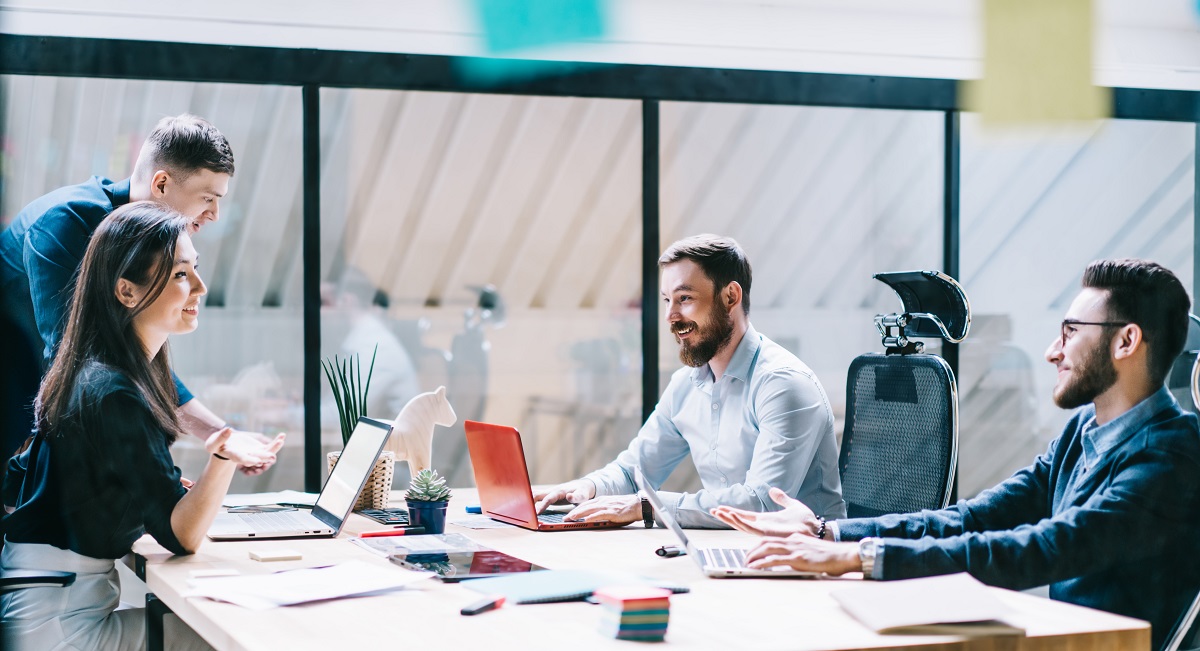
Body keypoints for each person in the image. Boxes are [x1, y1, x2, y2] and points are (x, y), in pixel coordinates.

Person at [712, 258, 1200, 650]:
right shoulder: (1082, 432)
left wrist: (853, 556)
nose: (1053, 351)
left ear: (1127, 340)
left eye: (1071, 331)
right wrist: (828, 532)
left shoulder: (1172, 455)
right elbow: (978, 518)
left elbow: (1044, 548)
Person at [0, 202, 285, 650]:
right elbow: (181, 535)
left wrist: (137, 489)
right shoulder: (113, 390)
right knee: (226, 637)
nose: (200, 287)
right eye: (179, 275)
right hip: (57, 623)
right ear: (127, 292)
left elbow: (29, 486)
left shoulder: (97, 372)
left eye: (196, 269)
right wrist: (222, 456)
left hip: (48, 599)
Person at [0, 114, 276, 473]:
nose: (215, 215)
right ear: (161, 184)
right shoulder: (65, 224)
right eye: (208, 198)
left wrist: (221, 435)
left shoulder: (139, 242)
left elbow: (131, 353)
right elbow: (76, 358)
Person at [534, 234, 845, 527]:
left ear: (730, 297)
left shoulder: (782, 384)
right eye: (667, 300)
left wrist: (649, 506)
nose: (671, 315)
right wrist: (587, 487)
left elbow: (764, 504)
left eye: (684, 298)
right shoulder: (687, 384)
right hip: (728, 552)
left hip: (804, 563)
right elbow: (633, 473)